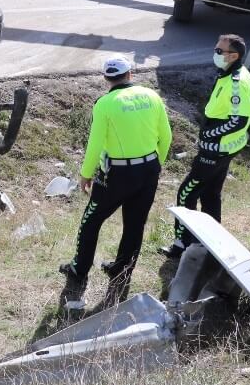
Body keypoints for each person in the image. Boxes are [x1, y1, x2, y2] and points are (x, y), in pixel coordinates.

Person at [60, 56, 172, 311]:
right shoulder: (151, 96)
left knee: (91, 220)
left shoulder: (105, 104)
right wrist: (155, 165)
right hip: (148, 169)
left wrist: (86, 173)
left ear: (106, 78)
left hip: (116, 175)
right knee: (135, 224)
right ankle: (122, 272)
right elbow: (166, 136)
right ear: (130, 74)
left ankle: (79, 270)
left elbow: (96, 143)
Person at [161, 34, 250, 258]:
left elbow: (237, 120)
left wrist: (208, 135)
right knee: (211, 194)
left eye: (219, 51)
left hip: (217, 149)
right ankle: (211, 244)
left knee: (186, 193)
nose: (215, 54)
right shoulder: (232, 73)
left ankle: (181, 245)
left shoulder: (237, 83)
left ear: (234, 56)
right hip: (226, 148)